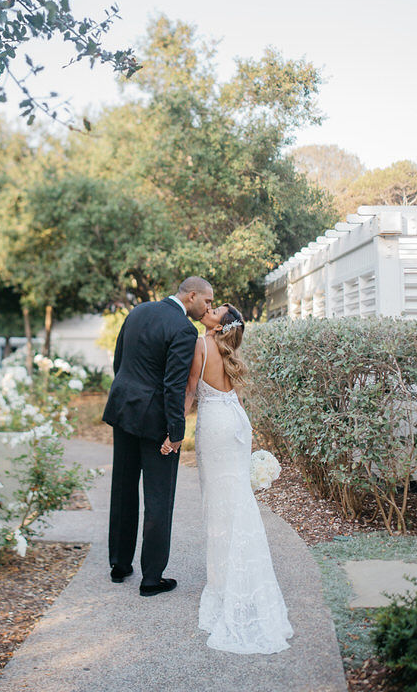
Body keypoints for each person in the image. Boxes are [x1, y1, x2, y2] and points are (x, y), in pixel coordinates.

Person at [162, 303, 293, 652]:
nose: (209, 309)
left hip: (216, 427)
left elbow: (190, 391)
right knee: (236, 502)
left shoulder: (201, 344)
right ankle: (239, 578)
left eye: (216, 310)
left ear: (220, 324)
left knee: (218, 508)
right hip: (236, 421)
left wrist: (174, 432)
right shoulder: (226, 349)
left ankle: (223, 587)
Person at [102, 276, 213, 596]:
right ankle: (151, 578)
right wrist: (176, 432)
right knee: (159, 497)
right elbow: (173, 386)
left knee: (122, 489)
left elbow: (118, 362)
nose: (208, 308)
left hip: (124, 410)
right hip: (156, 424)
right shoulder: (184, 330)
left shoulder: (137, 311)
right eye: (207, 301)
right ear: (191, 296)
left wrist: (130, 395)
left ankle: (119, 565)